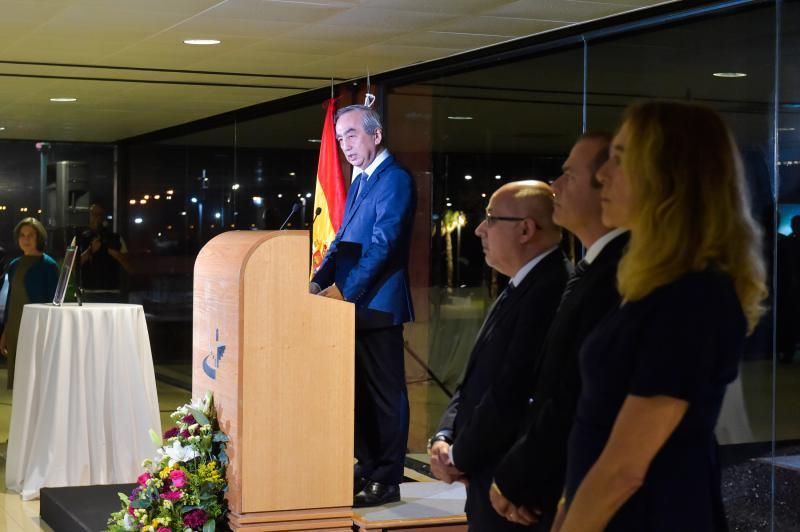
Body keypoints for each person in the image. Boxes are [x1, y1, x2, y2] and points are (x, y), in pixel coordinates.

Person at [555, 101, 767, 532]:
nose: (602, 175)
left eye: (620, 159)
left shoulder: (693, 296)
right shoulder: (657, 288)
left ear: (669, 177)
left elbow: (625, 468)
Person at [488, 134, 628, 530]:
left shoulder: (621, 277)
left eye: (568, 174)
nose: (555, 187)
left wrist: (518, 478)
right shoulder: (593, 270)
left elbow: (573, 398)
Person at [428, 180, 570, 531]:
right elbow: (472, 378)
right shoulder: (519, 284)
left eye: (490, 219)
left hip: (513, 488)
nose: (479, 229)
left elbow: (512, 392)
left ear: (525, 229)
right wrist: (444, 437)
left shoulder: (552, 290)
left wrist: (458, 457)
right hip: (486, 478)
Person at [310, 104, 416, 507]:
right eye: (340, 139)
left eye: (351, 135)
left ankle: (388, 478)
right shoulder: (360, 181)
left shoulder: (395, 180)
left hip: (378, 307)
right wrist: (317, 280)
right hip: (352, 308)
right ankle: (369, 464)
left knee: (386, 397)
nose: (345, 145)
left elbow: (384, 246)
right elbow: (342, 244)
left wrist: (344, 293)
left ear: (376, 134)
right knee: (357, 395)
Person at [0, 218, 59, 389]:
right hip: (15, 329)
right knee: (18, 383)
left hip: (38, 329)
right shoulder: (14, 265)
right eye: (22, 235)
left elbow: (55, 305)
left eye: (30, 235)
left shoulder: (48, 265)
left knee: (37, 382)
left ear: (39, 237)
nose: (26, 239)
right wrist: (5, 332)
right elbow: (12, 299)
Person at [79, 203, 131, 302]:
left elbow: (129, 266)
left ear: (104, 217)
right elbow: (73, 266)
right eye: (94, 214)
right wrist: (90, 251)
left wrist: (115, 253)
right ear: (89, 216)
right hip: (89, 293)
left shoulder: (116, 238)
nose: (97, 218)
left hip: (112, 294)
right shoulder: (81, 238)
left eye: (100, 215)